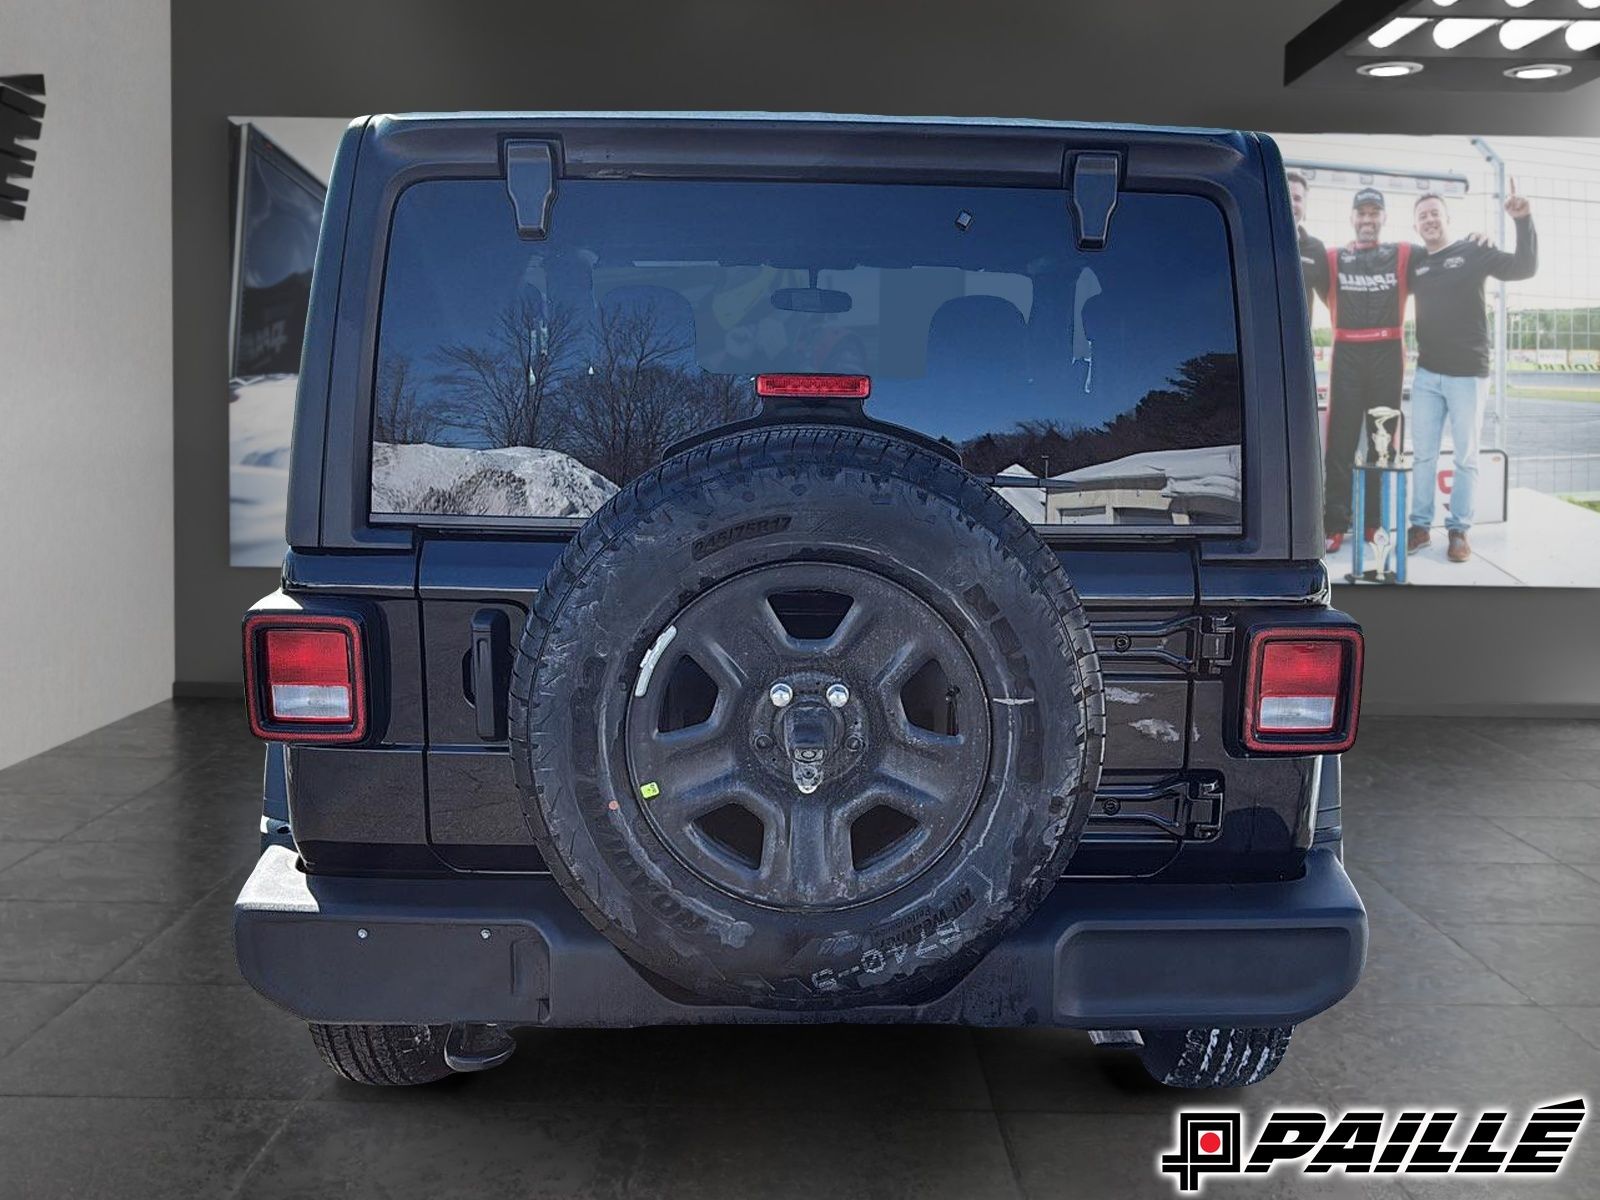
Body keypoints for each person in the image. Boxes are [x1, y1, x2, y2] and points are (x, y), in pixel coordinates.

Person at [1405, 183, 1538, 563]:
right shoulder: (1415, 261)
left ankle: (1459, 530)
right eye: (1422, 215)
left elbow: (1524, 268)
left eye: (1435, 212)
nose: (1429, 219)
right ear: (1416, 226)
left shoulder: (1474, 250)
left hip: (1468, 374)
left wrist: (1522, 221)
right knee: (1423, 456)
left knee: (1466, 457)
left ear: (1447, 218)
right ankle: (1419, 525)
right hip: (1427, 375)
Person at [1303, 187, 1410, 554]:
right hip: (1346, 352)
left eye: (1374, 213)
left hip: (1388, 355)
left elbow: (1443, 263)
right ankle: (1335, 523)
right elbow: (1296, 270)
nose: (1367, 220)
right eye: (1361, 213)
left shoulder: (1402, 254)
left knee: (1382, 445)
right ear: (1352, 217)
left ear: (1383, 218)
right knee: (1340, 444)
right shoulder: (1332, 257)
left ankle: (1373, 523)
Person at [1287, 171, 1325, 317]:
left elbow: (1332, 298)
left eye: (1297, 198)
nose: (1291, 203)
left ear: (1305, 206)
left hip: (1299, 339)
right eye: (1286, 195)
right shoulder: (1256, 244)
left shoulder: (1316, 249)